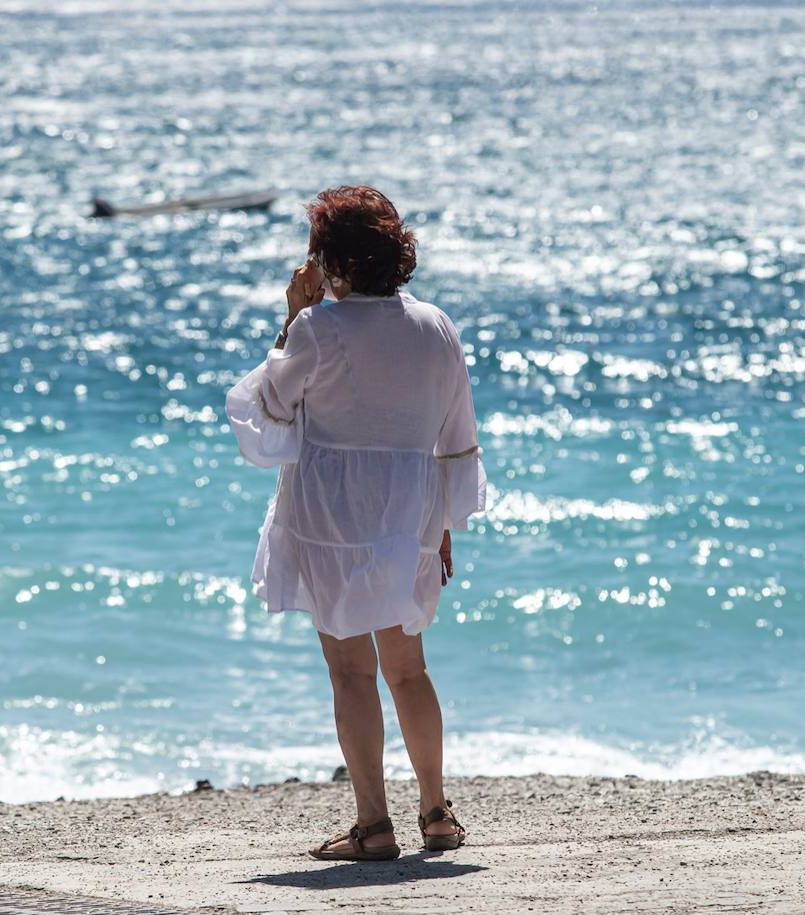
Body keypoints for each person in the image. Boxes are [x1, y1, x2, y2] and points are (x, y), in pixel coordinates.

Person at [226, 186, 487, 861]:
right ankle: (436, 811)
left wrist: (291, 317)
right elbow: (457, 433)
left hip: (334, 511)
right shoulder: (436, 324)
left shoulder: (320, 327)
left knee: (351, 671)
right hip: (414, 504)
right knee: (409, 668)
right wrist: (446, 518)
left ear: (333, 260)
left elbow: (271, 410)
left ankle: (374, 823)